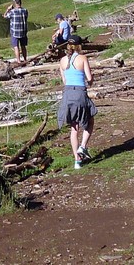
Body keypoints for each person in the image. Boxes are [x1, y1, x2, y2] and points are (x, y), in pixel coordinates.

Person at [57, 35, 96, 168]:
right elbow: (89, 78)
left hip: (68, 93)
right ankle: (83, 146)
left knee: (74, 128)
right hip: (80, 92)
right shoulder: (82, 58)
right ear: (79, 46)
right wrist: (90, 81)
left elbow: (64, 81)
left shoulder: (62, 61)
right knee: (90, 120)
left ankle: (77, 161)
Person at [4, 0, 29, 64]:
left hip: (15, 32)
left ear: (15, 4)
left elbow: (5, 16)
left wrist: (8, 9)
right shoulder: (25, 10)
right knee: (23, 46)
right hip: (23, 32)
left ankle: (18, 61)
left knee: (16, 47)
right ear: (20, 3)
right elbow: (26, 17)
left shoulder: (12, 12)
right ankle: (25, 59)